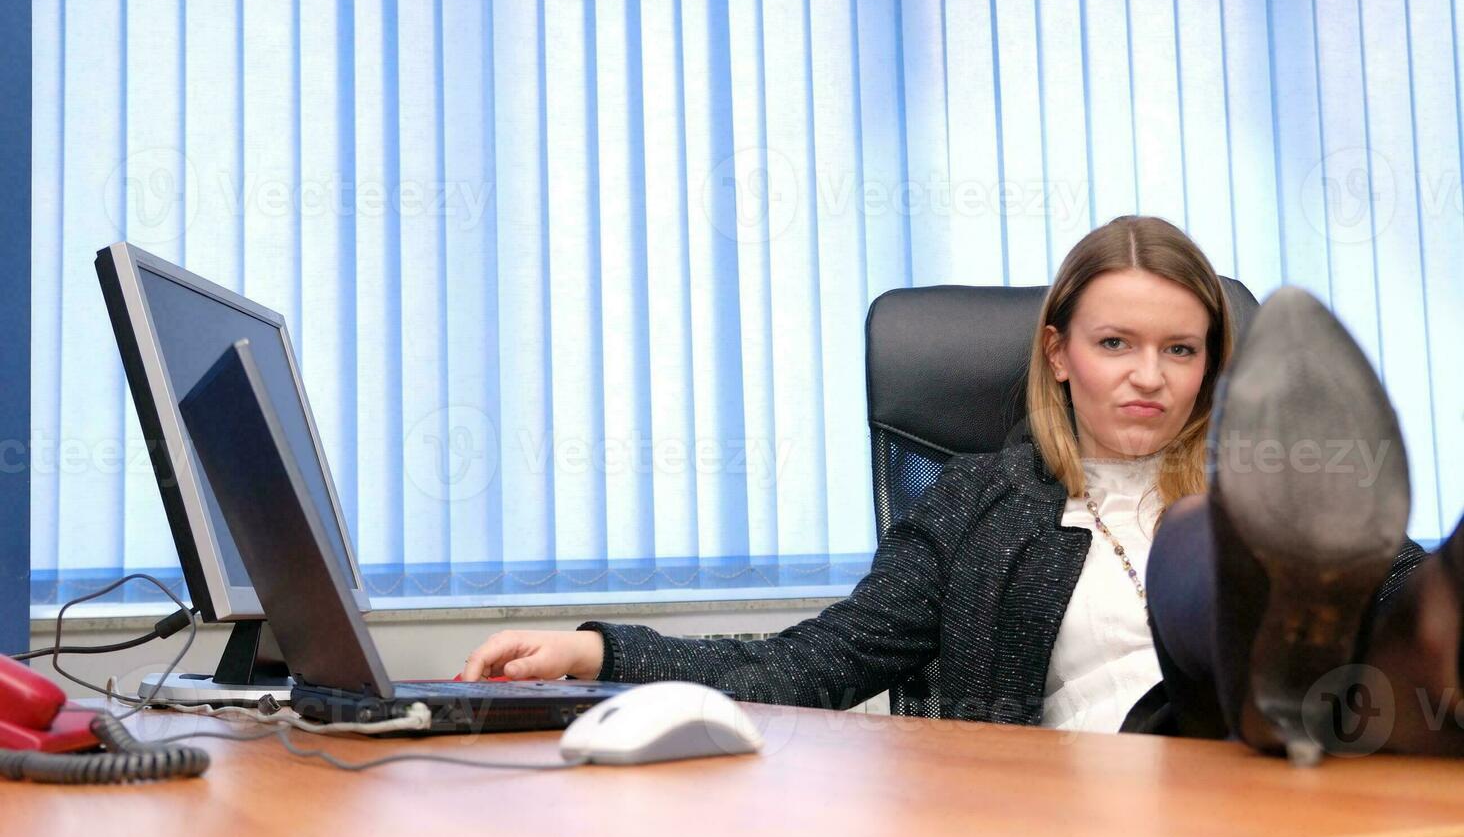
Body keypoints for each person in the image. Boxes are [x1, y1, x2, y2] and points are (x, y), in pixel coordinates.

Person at [462, 215, 1464, 763]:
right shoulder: (982, 501)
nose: (1148, 375)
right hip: (1100, 818)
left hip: (1285, 798)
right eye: (1116, 343)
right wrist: (602, 649)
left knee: (1388, 599)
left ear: (1214, 365)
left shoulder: (1287, 494)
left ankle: (1364, 634)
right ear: (1059, 353)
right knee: (1219, 575)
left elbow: (1379, 587)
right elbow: (818, 659)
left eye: (1181, 348)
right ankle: (1255, 652)